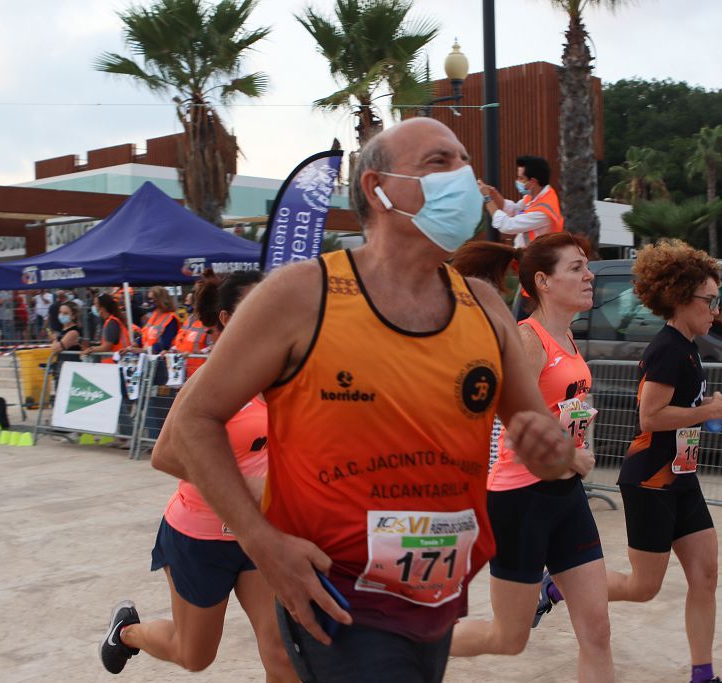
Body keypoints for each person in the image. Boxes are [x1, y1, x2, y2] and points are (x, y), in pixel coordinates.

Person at [147, 117, 576, 683]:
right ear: (377, 189)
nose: (464, 177)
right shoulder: (300, 295)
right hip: (339, 586)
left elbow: (538, 445)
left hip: (437, 589)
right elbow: (190, 424)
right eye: (439, 163)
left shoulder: (484, 305)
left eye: (465, 162)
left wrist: (550, 448)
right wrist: (262, 540)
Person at [99, 271, 297, 681]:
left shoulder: (283, 372)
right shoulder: (211, 379)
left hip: (256, 533)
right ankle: (128, 633)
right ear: (227, 318)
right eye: (256, 306)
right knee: (194, 655)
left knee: (280, 652)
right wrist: (245, 488)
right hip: (200, 536)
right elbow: (164, 456)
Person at [448, 233, 613, 681]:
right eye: (576, 267)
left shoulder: (568, 338)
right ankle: (415, 643)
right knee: (509, 637)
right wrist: (570, 456)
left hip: (566, 497)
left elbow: (564, 413)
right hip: (521, 499)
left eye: (586, 265)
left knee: (596, 629)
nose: (589, 275)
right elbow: (520, 430)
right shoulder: (528, 339)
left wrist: (576, 452)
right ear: (543, 280)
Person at [606, 239, 722, 683]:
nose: (716, 310)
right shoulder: (667, 348)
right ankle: (560, 583)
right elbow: (651, 416)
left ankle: (702, 675)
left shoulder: (689, 347)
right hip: (650, 481)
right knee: (643, 587)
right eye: (710, 301)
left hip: (682, 476)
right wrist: (708, 410)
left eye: (718, 301)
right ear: (679, 297)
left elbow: (690, 410)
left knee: (706, 575)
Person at [478, 155, 564, 248]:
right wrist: (493, 194)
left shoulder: (542, 212)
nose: (517, 181)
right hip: (528, 255)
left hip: (536, 259)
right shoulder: (537, 196)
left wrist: (487, 198)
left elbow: (507, 226)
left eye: (521, 178)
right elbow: (514, 209)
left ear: (533, 182)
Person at [80, 294, 133, 362]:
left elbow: (106, 347)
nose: (94, 306)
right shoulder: (110, 321)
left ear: (102, 307)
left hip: (115, 364)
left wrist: (90, 349)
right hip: (115, 363)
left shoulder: (112, 322)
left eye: (95, 304)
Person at [134, 286, 180, 354]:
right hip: (147, 357)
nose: (150, 302)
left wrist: (144, 351)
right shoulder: (154, 315)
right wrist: (133, 346)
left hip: (160, 359)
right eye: (149, 299)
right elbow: (144, 336)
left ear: (160, 300)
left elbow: (165, 344)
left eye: (152, 299)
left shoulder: (171, 318)